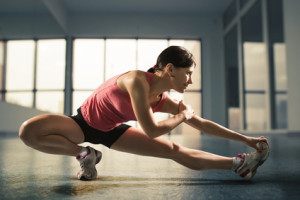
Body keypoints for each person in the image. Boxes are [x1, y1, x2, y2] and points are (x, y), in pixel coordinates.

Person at [19, 46, 269, 181]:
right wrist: (183, 115)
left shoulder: (162, 100)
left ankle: (239, 165)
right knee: (28, 131)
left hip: (112, 131)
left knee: (174, 151)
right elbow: (150, 130)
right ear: (170, 69)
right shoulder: (137, 80)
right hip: (82, 123)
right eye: (189, 73)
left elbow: (202, 125)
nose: (191, 80)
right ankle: (85, 154)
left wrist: (246, 139)